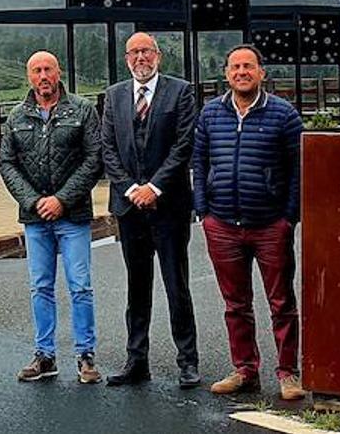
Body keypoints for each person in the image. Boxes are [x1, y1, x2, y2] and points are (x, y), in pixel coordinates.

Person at [192, 44, 305, 400]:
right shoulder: (211, 114)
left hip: (270, 224)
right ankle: (244, 369)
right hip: (222, 223)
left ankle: (288, 373)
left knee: (281, 302)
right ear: (226, 74)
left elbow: (298, 170)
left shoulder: (284, 115)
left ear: (261, 74)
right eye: (235, 67)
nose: (242, 72)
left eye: (248, 66)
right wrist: (203, 211)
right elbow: (199, 162)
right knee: (235, 304)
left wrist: (289, 218)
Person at [100, 32, 200, 388]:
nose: (140, 57)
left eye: (146, 51)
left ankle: (188, 361)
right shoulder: (114, 96)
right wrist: (131, 190)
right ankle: (136, 360)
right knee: (136, 287)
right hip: (129, 208)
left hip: (168, 205)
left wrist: (154, 187)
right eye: (134, 52)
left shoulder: (181, 91)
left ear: (157, 55)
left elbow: (184, 143)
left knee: (177, 285)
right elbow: (107, 148)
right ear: (126, 58)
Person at [0, 51, 102, 384]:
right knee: (40, 286)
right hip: (35, 218)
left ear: (58, 73)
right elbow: (7, 163)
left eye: (48, 70)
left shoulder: (82, 110)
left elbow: (93, 158)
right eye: (36, 71)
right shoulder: (16, 116)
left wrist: (62, 199)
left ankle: (85, 355)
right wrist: (33, 201)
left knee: (80, 287)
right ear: (29, 76)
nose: (43, 76)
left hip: (73, 215)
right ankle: (45, 355)